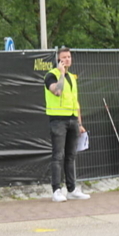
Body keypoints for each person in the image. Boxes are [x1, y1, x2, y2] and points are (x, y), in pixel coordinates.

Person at [43, 47, 90, 202]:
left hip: (72, 119)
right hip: (58, 120)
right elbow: (57, 91)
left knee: (71, 155)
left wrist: (79, 122)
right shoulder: (51, 76)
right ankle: (56, 190)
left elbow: (75, 102)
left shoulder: (72, 78)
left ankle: (71, 189)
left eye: (69, 57)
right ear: (58, 60)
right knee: (58, 155)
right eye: (64, 57)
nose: (67, 60)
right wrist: (61, 73)